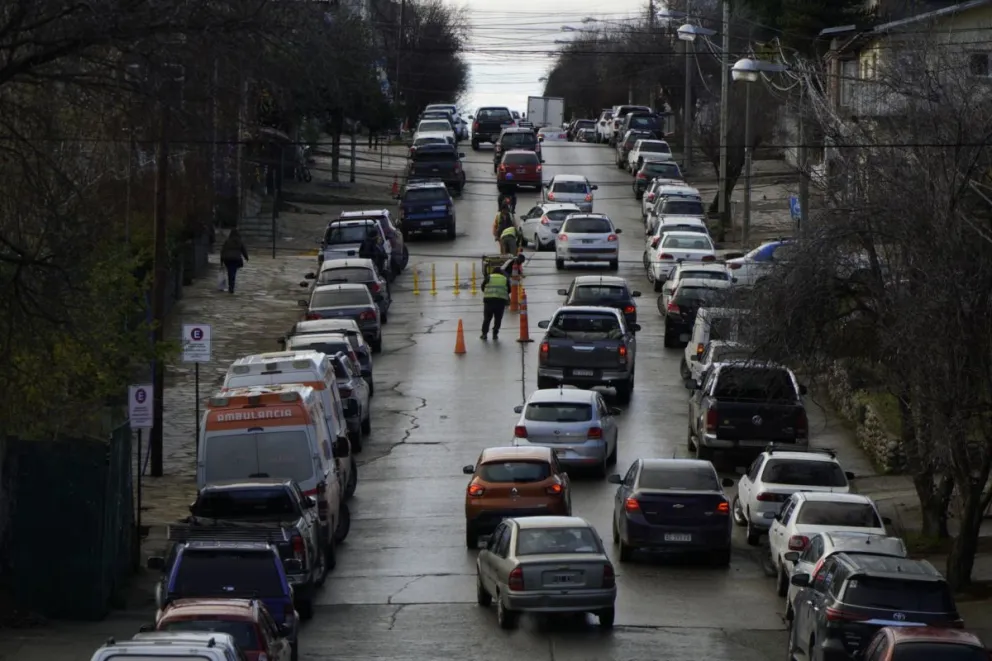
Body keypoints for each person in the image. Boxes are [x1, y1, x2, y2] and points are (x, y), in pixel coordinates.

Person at [480, 261, 512, 340]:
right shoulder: (504, 279)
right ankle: (495, 334)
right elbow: (509, 290)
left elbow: (482, 287)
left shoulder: (488, 277)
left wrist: (488, 292)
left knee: (487, 319)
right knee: (498, 319)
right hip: (500, 302)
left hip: (488, 301)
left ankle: (484, 334)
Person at [220, 229, 249, 294]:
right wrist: (246, 257)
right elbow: (243, 250)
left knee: (230, 272)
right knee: (233, 272)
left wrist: (221, 260)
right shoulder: (239, 241)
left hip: (227, 259)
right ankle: (231, 287)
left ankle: (231, 286)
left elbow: (222, 251)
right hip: (236, 259)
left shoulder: (227, 241)